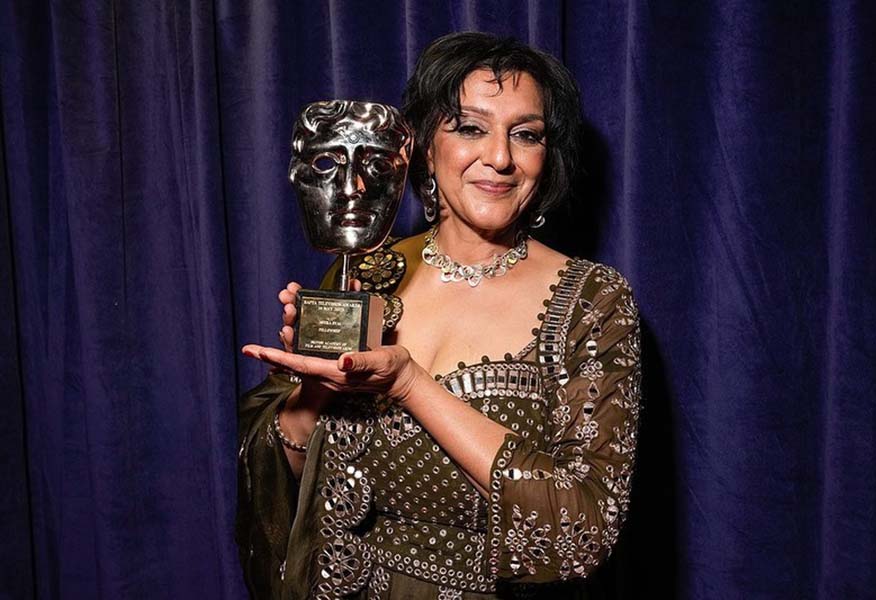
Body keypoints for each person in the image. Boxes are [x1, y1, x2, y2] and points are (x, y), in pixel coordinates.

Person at [237, 31, 641, 599]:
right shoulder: (365, 274)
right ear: (425, 146)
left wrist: (408, 383)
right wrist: (312, 395)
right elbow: (288, 481)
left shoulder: (591, 301)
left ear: (546, 158)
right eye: (470, 127)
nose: (499, 157)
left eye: (525, 135)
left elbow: (582, 528)